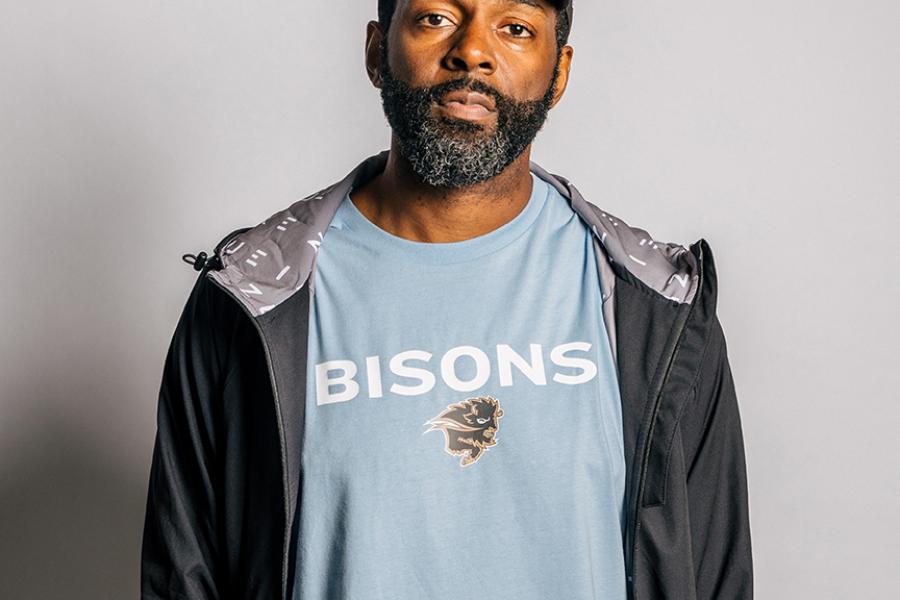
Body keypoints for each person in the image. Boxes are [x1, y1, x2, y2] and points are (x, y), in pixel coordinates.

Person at [140, 1, 753, 599]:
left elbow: (713, 576)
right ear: (378, 51)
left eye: (514, 27)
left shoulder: (656, 308)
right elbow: (185, 575)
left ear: (558, 72)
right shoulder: (253, 300)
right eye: (436, 18)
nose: (473, 53)